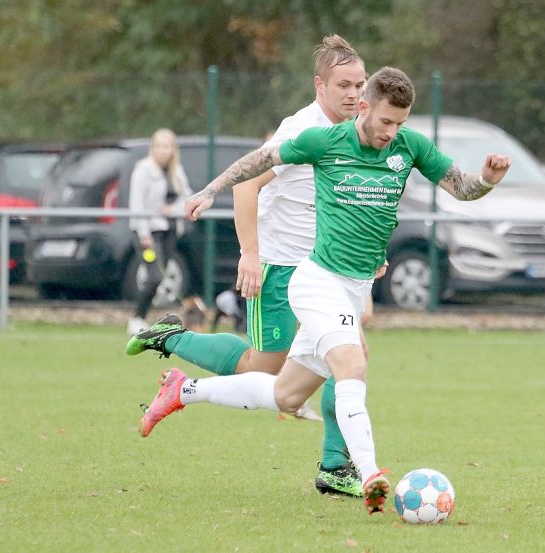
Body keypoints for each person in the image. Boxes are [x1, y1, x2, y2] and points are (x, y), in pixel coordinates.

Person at [134, 66, 511, 515]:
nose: (392, 132)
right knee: (352, 361)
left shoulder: (410, 148)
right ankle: (367, 472)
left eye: (401, 123)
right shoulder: (324, 140)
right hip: (315, 281)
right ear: (366, 108)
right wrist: (211, 189)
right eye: (386, 122)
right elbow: (260, 160)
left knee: (285, 394)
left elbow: (462, 188)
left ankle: (185, 390)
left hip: (353, 287)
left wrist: (487, 179)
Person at [126, 35, 368, 496]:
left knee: (350, 357)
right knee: (262, 370)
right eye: (344, 85)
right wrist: (251, 255)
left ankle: (336, 466)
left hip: (324, 273)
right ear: (320, 85)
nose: (355, 94)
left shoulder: (356, 130)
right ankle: (172, 339)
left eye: (360, 84)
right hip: (279, 269)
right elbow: (247, 186)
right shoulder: (299, 130)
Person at [127, 128, 191, 335]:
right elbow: (136, 204)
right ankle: (137, 318)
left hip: (169, 231)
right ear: (153, 148)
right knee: (153, 276)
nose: (164, 151)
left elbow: (187, 198)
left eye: (168, 147)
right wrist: (143, 233)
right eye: (160, 146)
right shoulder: (143, 170)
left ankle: (147, 320)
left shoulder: (176, 171)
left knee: (161, 277)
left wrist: (173, 210)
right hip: (148, 233)